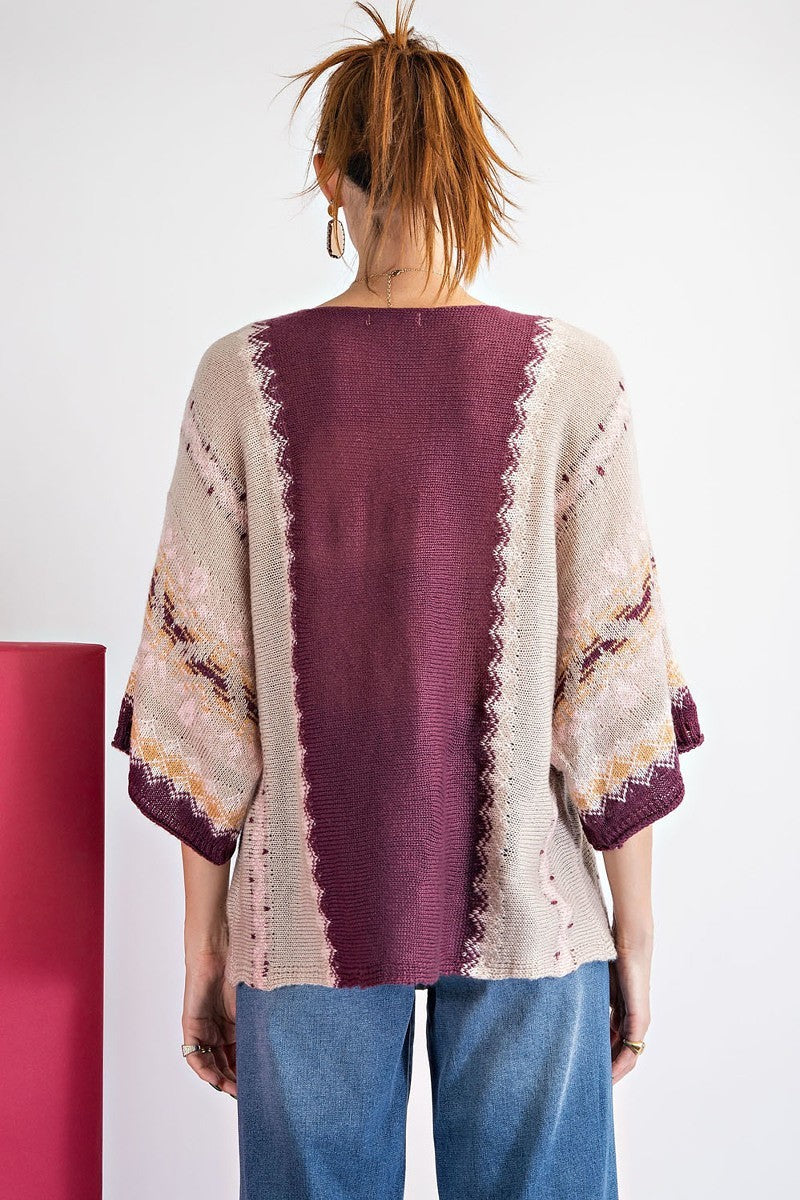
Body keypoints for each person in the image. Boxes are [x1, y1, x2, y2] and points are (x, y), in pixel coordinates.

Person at [111, 2, 704, 1197]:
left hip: (298, 916)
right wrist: (635, 941)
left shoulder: (241, 382)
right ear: (468, 168)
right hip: (535, 915)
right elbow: (611, 693)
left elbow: (202, 704)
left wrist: (203, 947)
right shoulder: (570, 379)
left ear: (328, 174)